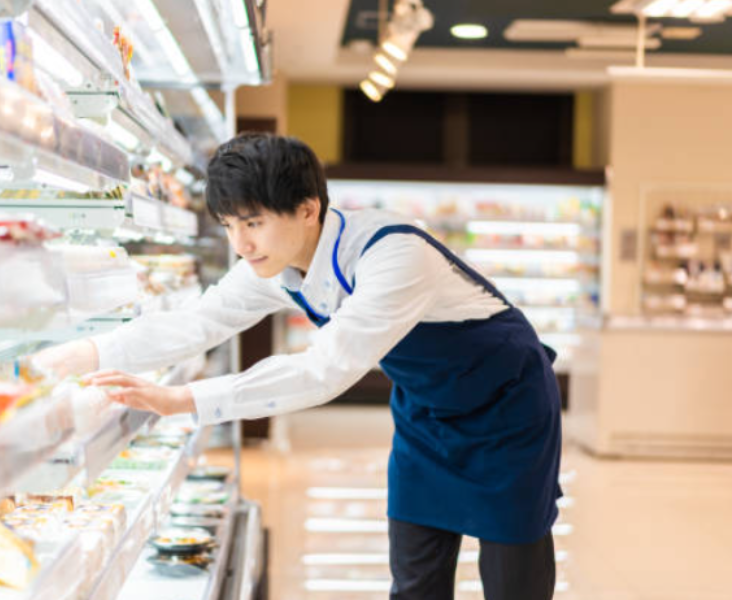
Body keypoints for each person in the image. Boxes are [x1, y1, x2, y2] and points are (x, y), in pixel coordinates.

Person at [34, 133, 562, 600]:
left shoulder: (393, 253)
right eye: (229, 225)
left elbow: (324, 370)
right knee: (414, 579)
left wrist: (184, 400)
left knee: (512, 575)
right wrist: (86, 354)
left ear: (308, 210)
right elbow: (197, 322)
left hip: (506, 407)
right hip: (426, 412)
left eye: (253, 222)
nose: (241, 244)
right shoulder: (272, 263)